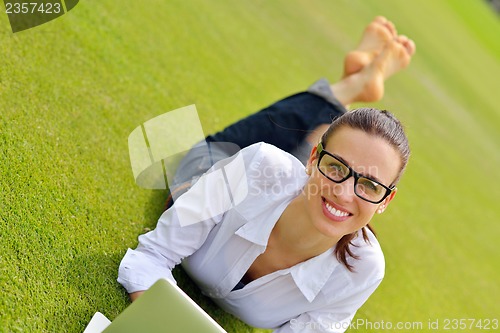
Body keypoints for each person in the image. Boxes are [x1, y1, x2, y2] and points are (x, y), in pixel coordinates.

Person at [117, 17, 416, 333]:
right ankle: (349, 87)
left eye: (369, 185)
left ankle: (354, 85)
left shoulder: (363, 269)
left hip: (293, 184)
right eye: (337, 167)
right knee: (267, 137)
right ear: (314, 158)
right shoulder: (258, 165)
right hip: (219, 172)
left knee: (315, 184)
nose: (345, 193)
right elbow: (148, 260)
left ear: (387, 200)